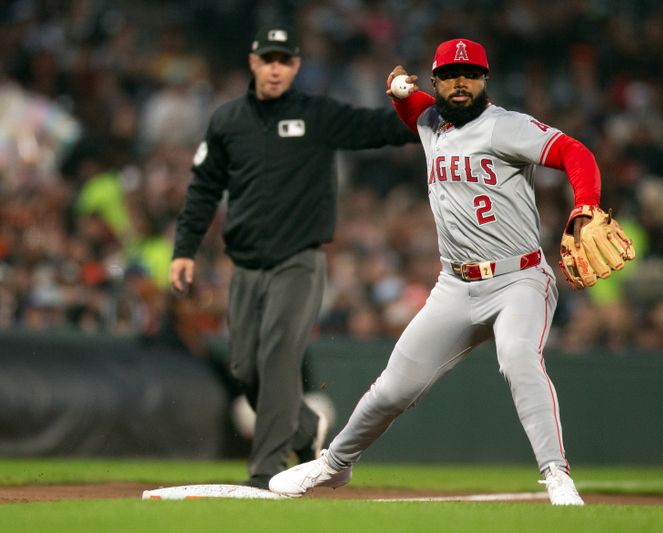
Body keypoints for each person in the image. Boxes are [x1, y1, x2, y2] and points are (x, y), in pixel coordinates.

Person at [268, 37, 606, 506]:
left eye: (469, 74)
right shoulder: (432, 122)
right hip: (455, 285)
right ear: (437, 81)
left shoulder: (505, 126)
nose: (460, 83)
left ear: (485, 79)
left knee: (518, 358)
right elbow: (416, 110)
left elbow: (575, 153)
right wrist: (398, 92)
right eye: (449, 75)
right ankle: (334, 465)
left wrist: (586, 204)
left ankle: (556, 475)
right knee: (391, 389)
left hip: (519, 278)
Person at [170, 23, 417, 489]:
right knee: (245, 368)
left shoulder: (317, 115)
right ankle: (305, 430)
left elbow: (379, 129)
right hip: (245, 266)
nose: (276, 68)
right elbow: (203, 188)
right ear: (253, 62)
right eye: (269, 59)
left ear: (296, 65)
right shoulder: (227, 120)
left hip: (298, 262)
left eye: (285, 60)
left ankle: (266, 470)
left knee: (279, 357)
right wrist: (184, 250)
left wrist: (424, 109)